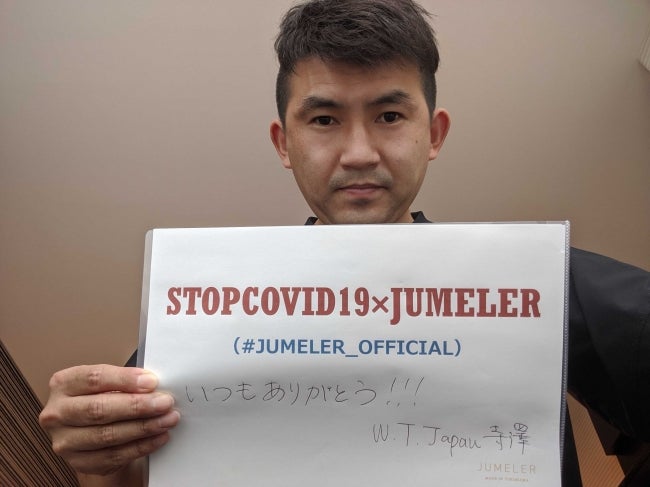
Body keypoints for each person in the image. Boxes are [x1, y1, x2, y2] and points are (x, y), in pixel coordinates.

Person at [38, 1, 649, 486]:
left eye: (390, 116)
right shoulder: (205, 311)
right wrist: (102, 455)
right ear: (284, 143)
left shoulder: (533, 283)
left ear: (434, 134)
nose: (358, 153)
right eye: (324, 119)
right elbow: (131, 472)